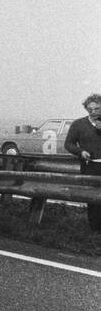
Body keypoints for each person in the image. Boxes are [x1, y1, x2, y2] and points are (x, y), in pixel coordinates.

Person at [63, 93, 101, 231]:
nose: (93, 112)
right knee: (93, 199)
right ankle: (95, 229)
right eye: (90, 109)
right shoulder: (78, 124)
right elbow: (68, 144)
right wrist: (80, 152)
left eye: (96, 108)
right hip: (90, 166)